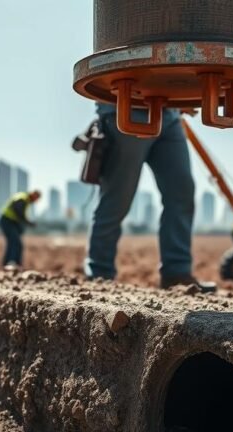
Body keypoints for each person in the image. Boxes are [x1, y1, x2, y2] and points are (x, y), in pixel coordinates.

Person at [84, 103, 216, 292]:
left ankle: (176, 273)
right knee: (116, 199)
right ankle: (99, 275)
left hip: (169, 115)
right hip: (125, 109)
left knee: (181, 192)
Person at [0, 190, 41, 269]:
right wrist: (28, 222)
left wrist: (25, 223)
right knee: (16, 243)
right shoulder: (23, 198)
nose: (35, 201)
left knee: (13, 243)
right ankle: (12, 263)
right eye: (36, 198)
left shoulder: (25, 200)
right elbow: (18, 210)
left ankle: (9, 264)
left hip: (9, 221)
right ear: (33, 194)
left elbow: (20, 214)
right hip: (7, 221)